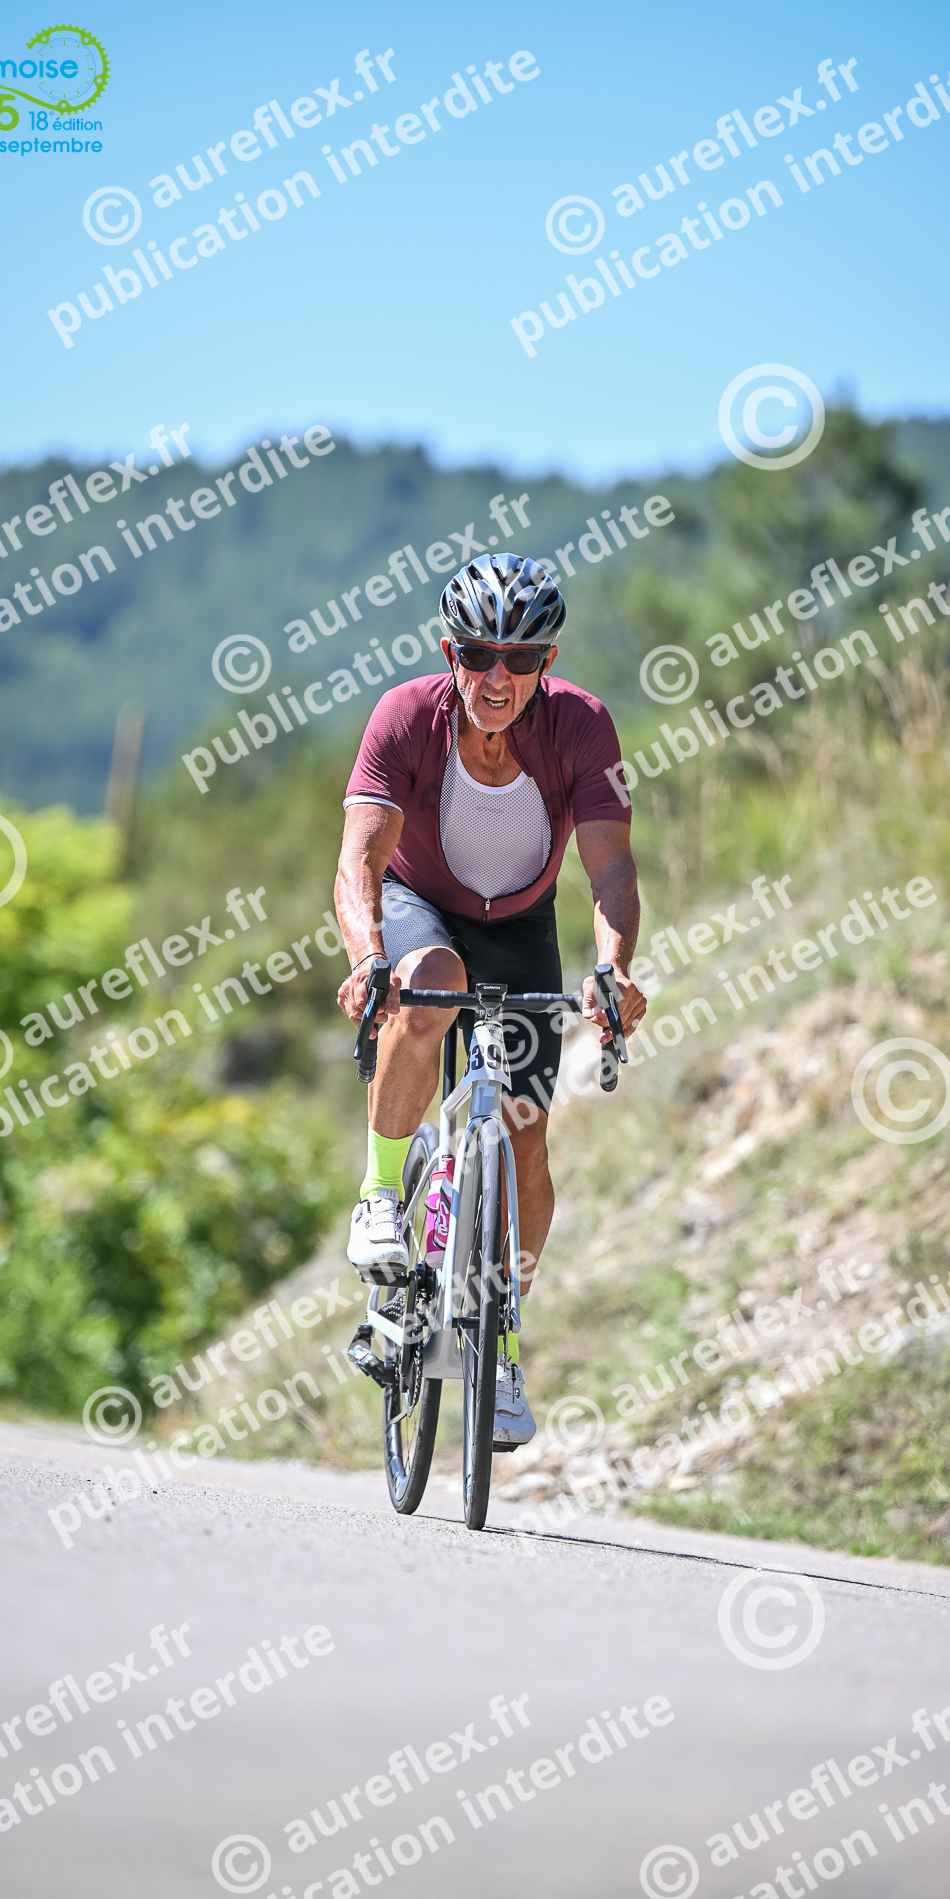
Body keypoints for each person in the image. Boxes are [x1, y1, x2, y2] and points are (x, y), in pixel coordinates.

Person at [334, 553, 647, 1446]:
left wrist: (614, 969)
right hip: (418, 903)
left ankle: (498, 1343)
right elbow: (358, 863)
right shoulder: (406, 716)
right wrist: (369, 959)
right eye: (477, 655)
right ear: (451, 653)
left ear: (548, 662)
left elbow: (611, 868)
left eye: (520, 658)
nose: (496, 677)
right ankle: (380, 1195)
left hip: (519, 922)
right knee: (431, 987)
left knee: (525, 1136)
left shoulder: (582, 727)